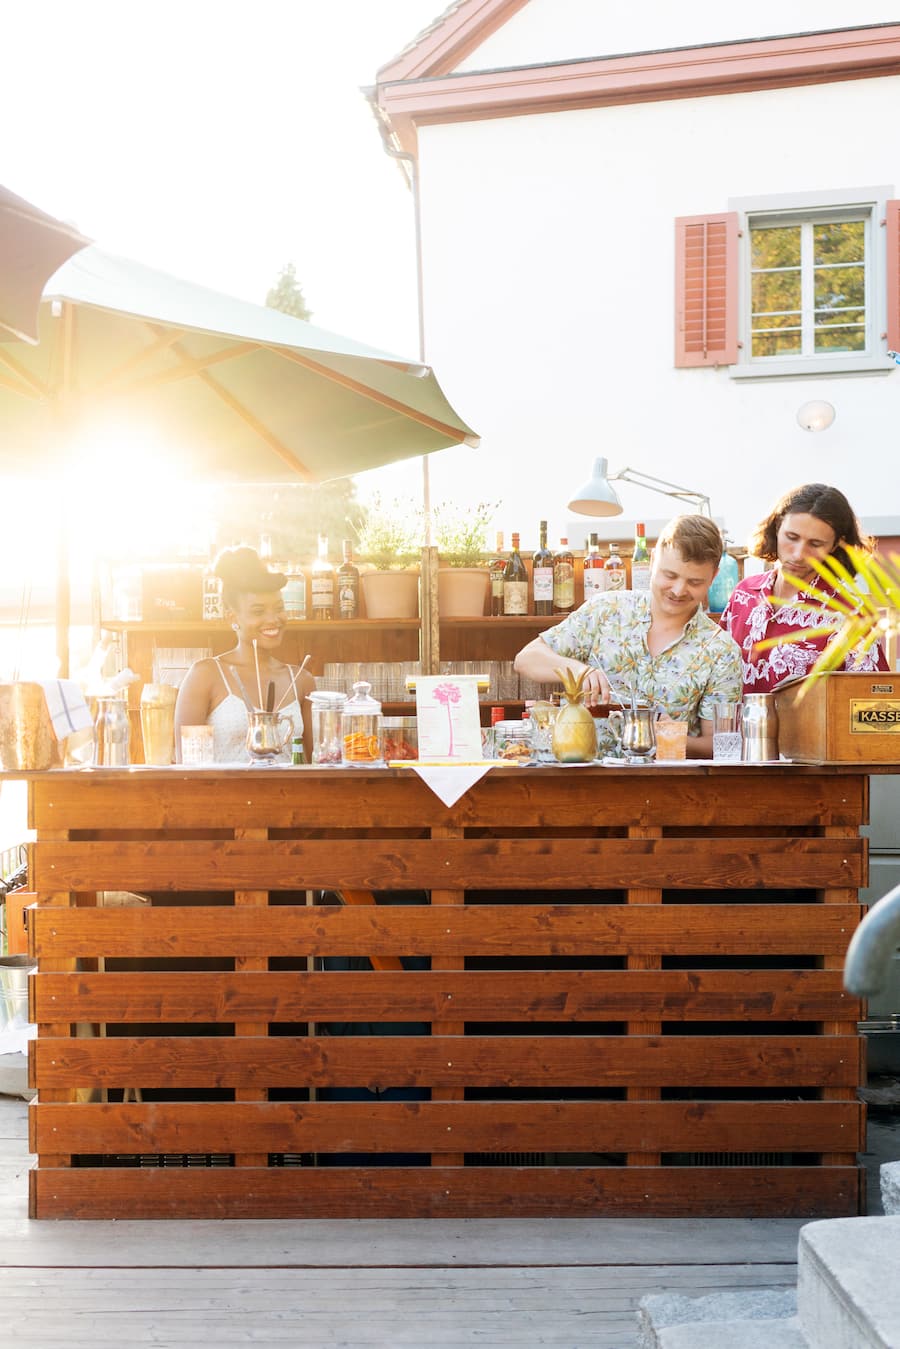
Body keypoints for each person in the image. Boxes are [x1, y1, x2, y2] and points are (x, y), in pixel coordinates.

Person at [515, 514, 742, 758]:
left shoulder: (721, 651)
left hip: (669, 789)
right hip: (581, 782)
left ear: (714, 576)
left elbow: (718, 745)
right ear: (653, 559)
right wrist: (578, 671)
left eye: (694, 582)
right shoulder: (605, 610)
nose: (678, 590)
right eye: (670, 575)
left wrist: (669, 737)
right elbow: (526, 659)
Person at [720, 483, 889, 694]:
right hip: (735, 727)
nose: (799, 554)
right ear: (777, 527)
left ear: (836, 545)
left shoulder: (850, 615)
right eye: (792, 537)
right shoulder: (743, 593)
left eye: (815, 544)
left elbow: (874, 704)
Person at [174, 546, 315, 763]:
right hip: (223, 797)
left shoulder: (302, 680)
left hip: (290, 796)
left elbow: (319, 763)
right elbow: (189, 767)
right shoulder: (206, 675)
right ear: (233, 617)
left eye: (279, 608)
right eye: (258, 611)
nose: (273, 619)